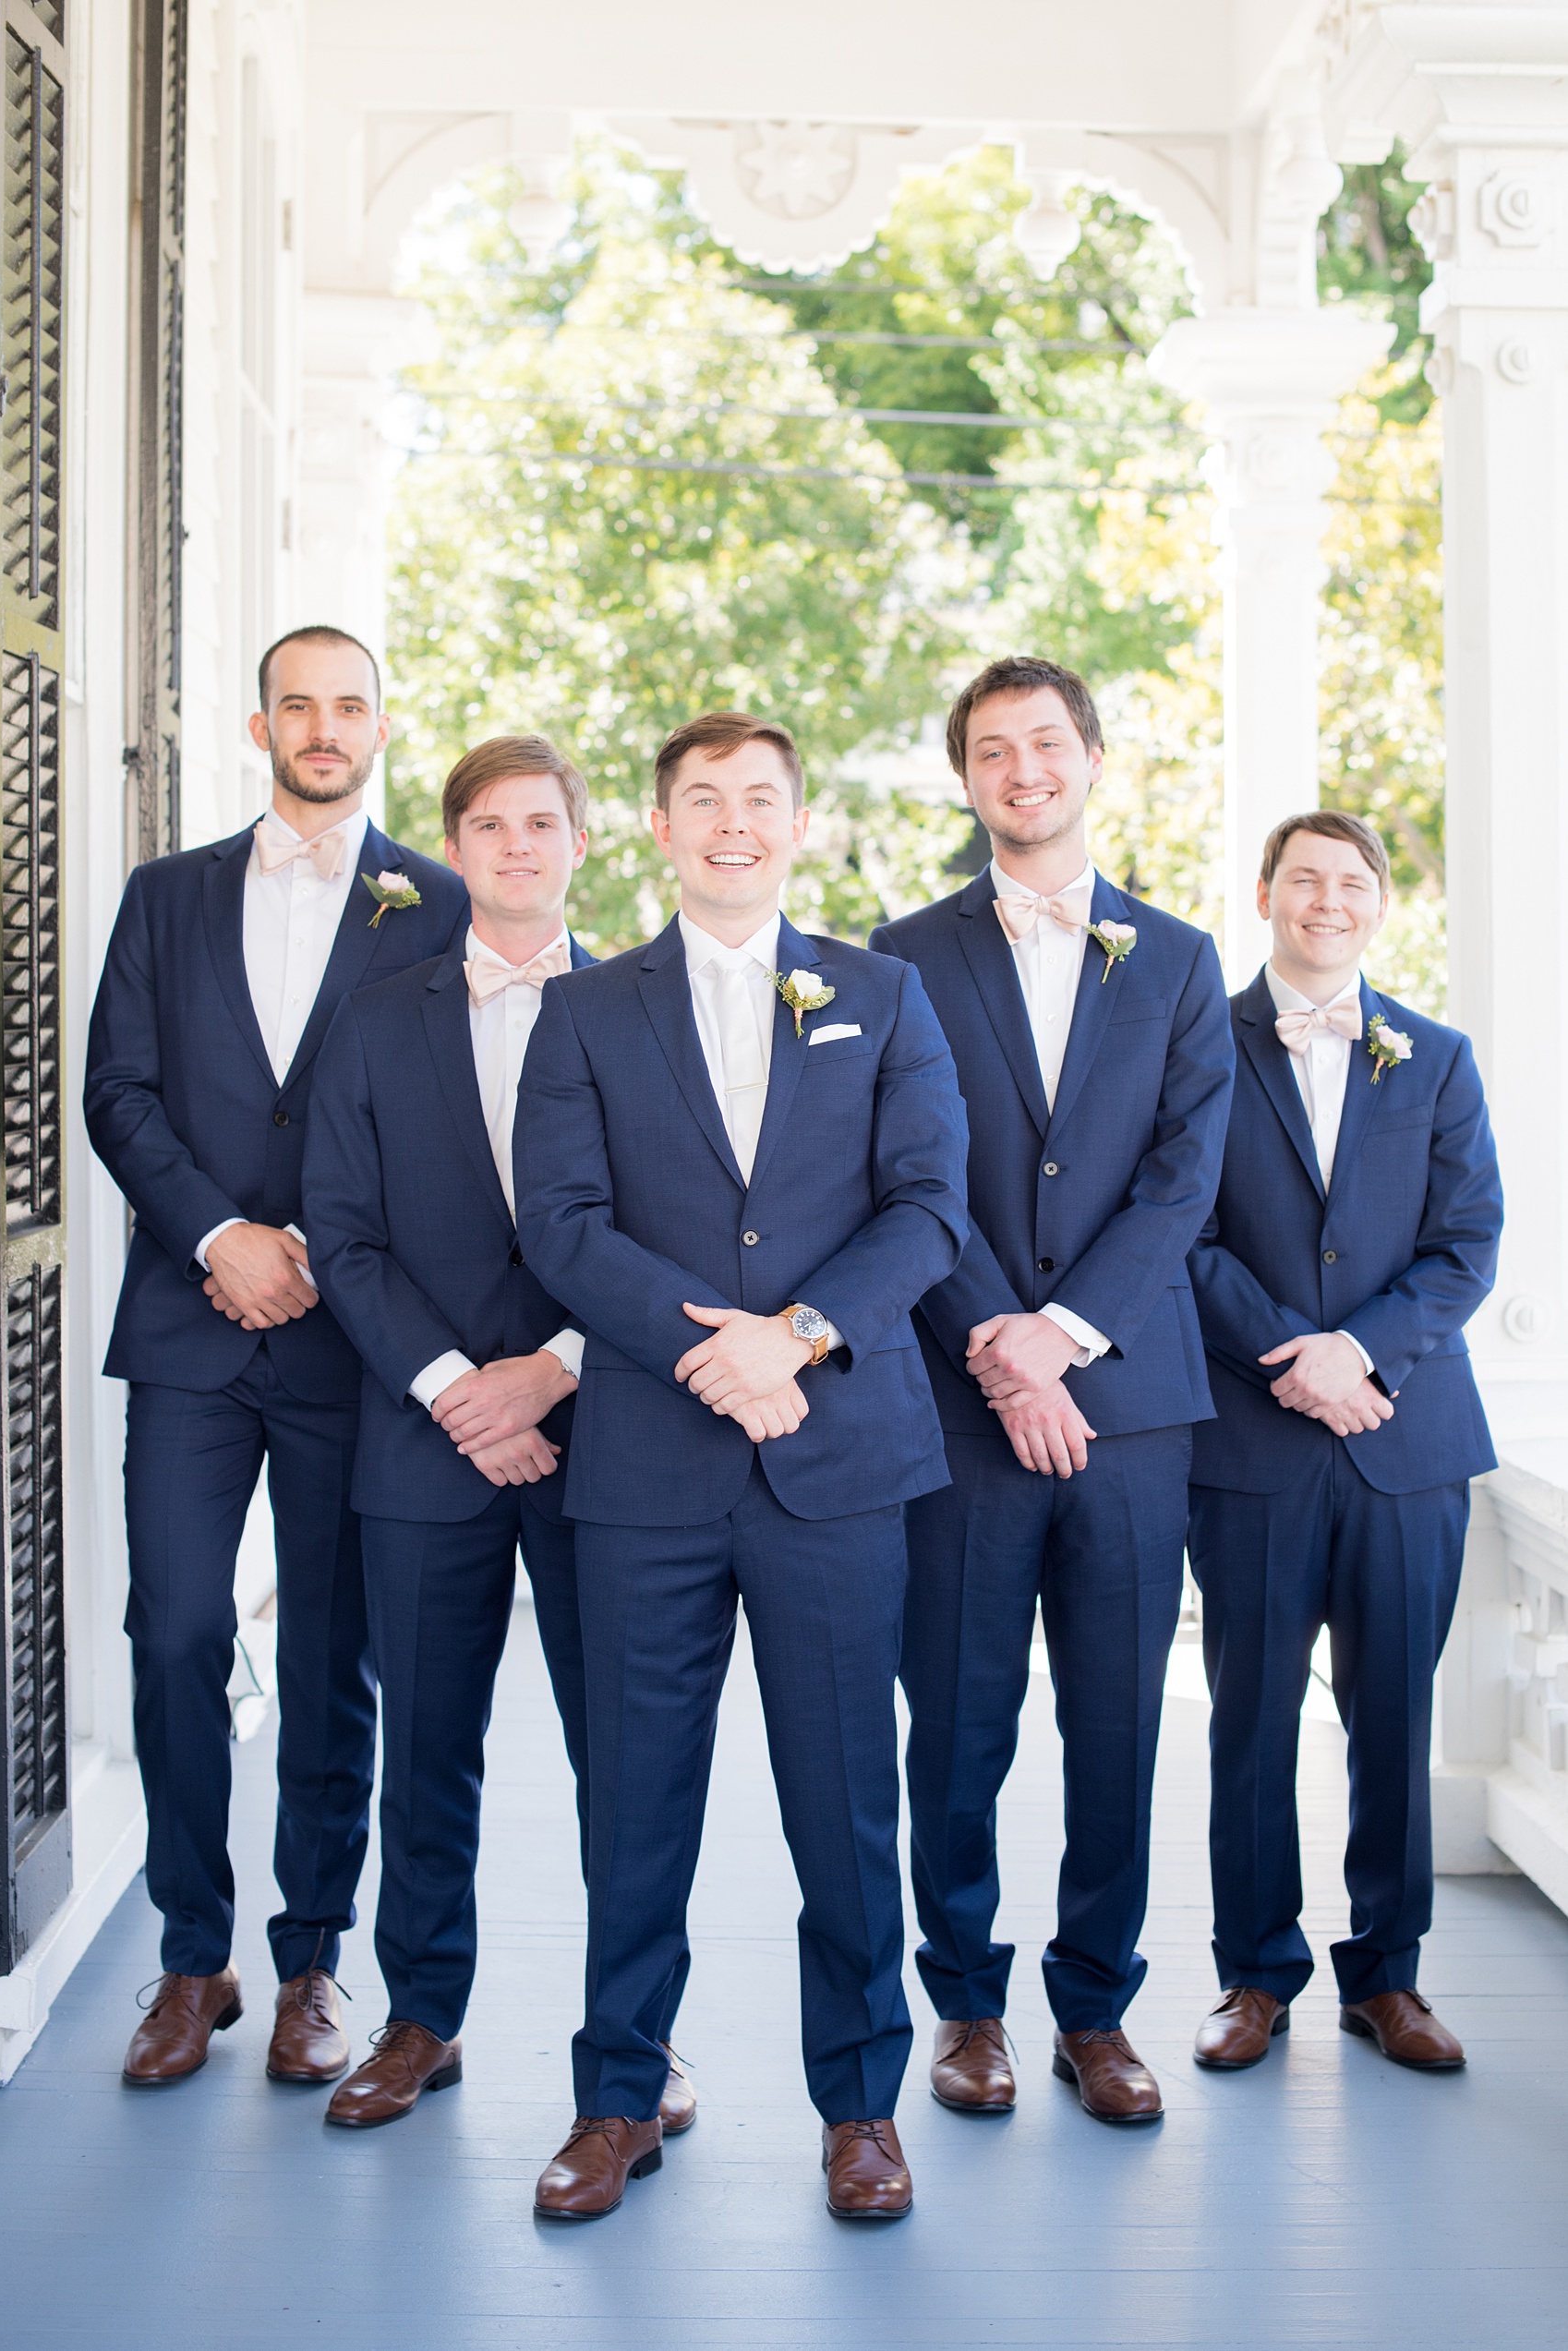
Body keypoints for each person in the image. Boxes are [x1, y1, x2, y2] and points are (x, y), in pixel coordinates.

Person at [513, 709, 969, 2222]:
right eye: (701, 797)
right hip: (648, 1463)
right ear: (656, 825)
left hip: (839, 1462)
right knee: (636, 1798)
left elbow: (926, 1210)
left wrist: (799, 1336)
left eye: (758, 797)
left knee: (844, 1801)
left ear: (797, 819)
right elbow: (561, 1224)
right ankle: (616, 2096)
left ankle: (860, 2108)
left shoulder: (886, 996)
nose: (731, 821)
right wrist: (714, 1348)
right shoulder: (584, 1014)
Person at [83, 626, 467, 2091]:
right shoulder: (166, 895)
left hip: (354, 1337)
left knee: (330, 1655)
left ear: (380, 724)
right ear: (258, 727)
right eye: (298, 704)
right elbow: (118, 1091)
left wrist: (316, 1246)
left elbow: (445, 1110)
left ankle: (313, 1958)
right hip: (192, 1321)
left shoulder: (434, 905)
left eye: (350, 704)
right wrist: (216, 1237)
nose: (324, 726)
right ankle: (196, 1955)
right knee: (176, 1625)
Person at [302, 735, 692, 2139]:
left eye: (542, 823)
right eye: (488, 825)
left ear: (584, 840)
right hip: (426, 1436)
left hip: (617, 1435)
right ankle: (420, 2017)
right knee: (429, 1740)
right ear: (452, 849)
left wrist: (556, 1370)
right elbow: (340, 1235)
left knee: (628, 1753)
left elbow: (682, 1230)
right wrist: (459, 1387)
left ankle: (639, 2041)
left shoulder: (655, 1008)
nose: (517, 846)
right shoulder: (375, 1012)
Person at [870, 655, 1233, 2126]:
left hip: (1132, 1409)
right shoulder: (898, 957)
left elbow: (1183, 1179)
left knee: (1118, 1721)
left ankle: (1096, 2006)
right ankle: (965, 2002)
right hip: (955, 1415)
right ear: (967, 778)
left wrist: (1063, 1335)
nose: (1023, 769)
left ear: (1093, 756)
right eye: (993, 750)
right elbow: (895, 1178)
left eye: (1046, 743)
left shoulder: (1184, 960)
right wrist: (992, 1343)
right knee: (953, 1721)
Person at [1185, 811, 1502, 2074]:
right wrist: (1294, 1355)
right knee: (1249, 1712)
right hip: (1254, 1440)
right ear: (1264, 892)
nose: (1328, 899)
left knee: (1395, 1716)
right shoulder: (1195, 1044)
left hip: (1404, 1438)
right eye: (1304, 877)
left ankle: (1390, 1973)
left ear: (1379, 904)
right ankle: (1252, 1975)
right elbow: (1180, 1230)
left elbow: (1466, 1244)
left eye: (1351, 881)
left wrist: (1355, 1350)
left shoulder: (1438, 1056)